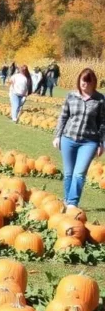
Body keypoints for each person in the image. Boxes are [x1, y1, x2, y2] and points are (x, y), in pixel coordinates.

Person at [53, 68, 105, 210]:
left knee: (79, 173)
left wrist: (102, 143)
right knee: (69, 173)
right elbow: (63, 117)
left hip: (89, 142)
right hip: (68, 138)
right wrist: (57, 136)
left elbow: (103, 123)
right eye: (83, 80)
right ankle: (66, 199)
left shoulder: (100, 99)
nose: (85, 83)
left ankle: (72, 203)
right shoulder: (71, 96)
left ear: (93, 82)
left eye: (88, 81)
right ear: (79, 80)